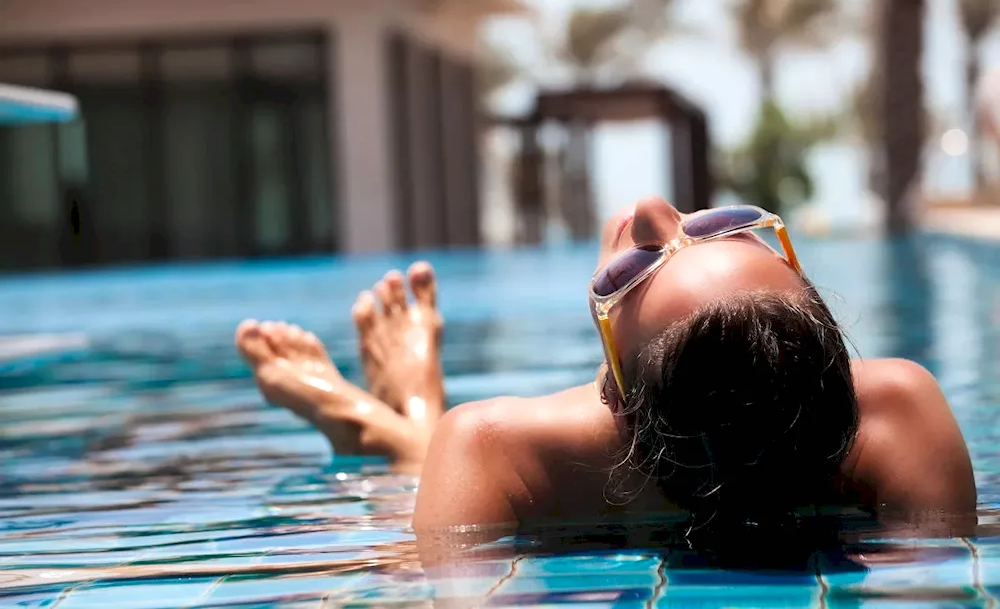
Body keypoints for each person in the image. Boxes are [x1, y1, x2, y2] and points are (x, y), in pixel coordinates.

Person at [235, 196, 976, 544]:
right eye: (723, 226)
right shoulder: (897, 409)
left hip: (477, 450)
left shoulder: (493, 444)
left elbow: (429, 581)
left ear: (616, 395)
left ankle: (383, 421)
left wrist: (431, 443)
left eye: (638, 269)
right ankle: (403, 413)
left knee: (404, 508)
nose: (656, 211)